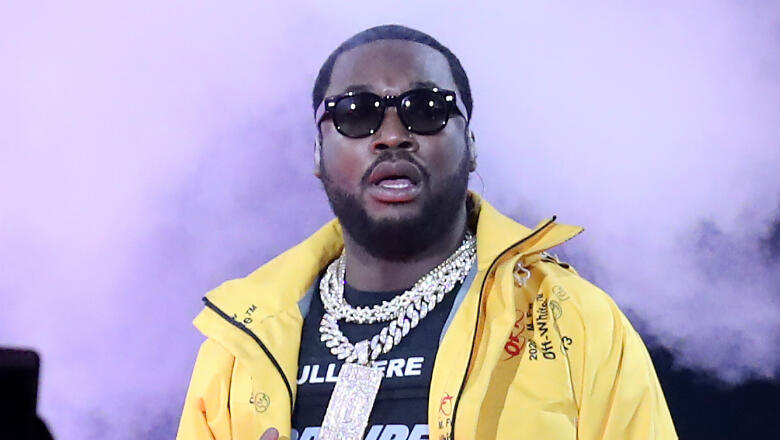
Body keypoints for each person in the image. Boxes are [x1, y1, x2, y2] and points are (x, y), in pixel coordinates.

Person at [176, 24, 677, 440]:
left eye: (426, 109)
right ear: (317, 154)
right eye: (356, 113)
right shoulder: (238, 343)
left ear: (471, 145)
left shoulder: (577, 322)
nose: (392, 135)